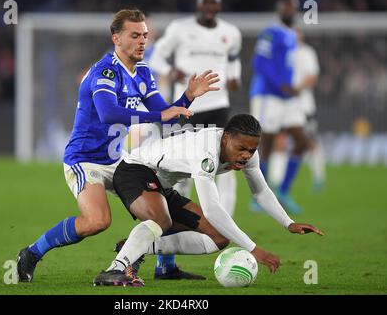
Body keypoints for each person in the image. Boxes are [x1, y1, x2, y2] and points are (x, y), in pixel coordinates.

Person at [16, 9, 220, 282]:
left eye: (145, 35)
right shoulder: (106, 71)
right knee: (97, 221)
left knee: (164, 206)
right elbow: (109, 114)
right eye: (134, 35)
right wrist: (162, 115)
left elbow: (167, 115)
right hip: (85, 160)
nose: (142, 41)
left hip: (119, 160)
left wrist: (187, 97)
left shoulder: (143, 71)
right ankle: (31, 253)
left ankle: (165, 267)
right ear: (116, 39)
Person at [93, 114, 324, 287]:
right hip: (135, 170)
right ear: (225, 138)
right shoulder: (206, 152)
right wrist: (254, 249)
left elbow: (261, 192)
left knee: (219, 237)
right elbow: (212, 209)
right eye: (241, 148)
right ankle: (115, 269)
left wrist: (288, 222)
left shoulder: (248, 153)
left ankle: (136, 248)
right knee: (161, 220)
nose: (246, 154)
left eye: (252, 150)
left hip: (162, 185)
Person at [148, 0, 242, 279]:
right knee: (181, 174)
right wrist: (171, 71)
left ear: (219, 6)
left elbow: (234, 61)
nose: (210, 7)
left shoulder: (231, 33)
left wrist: (234, 77)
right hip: (185, 108)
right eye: (206, 3)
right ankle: (169, 255)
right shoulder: (179, 29)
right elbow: (157, 57)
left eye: (214, 3)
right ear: (199, 5)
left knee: (225, 170)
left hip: (218, 107)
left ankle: (220, 227)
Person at [249, 0, 309, 214]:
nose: (289, 9)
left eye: (292, 6)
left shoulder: (292, 35)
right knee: (267, 145)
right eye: (286, 6)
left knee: (302, 141)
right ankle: (258, 197)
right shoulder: (271, 32)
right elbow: (259, 63)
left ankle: (283, 191)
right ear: (279, 8)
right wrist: (280, 85)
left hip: (286, 96)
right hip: (268, 95)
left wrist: (290, 87)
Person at [268, 28, 324, 192]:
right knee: (279, 140)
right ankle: (275, 182)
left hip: (303, 106)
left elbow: (312, 78)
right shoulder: (280, 52)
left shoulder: (307, 52)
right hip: (282, 105)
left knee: (309, 142)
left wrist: (296, 89)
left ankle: (318, 177)